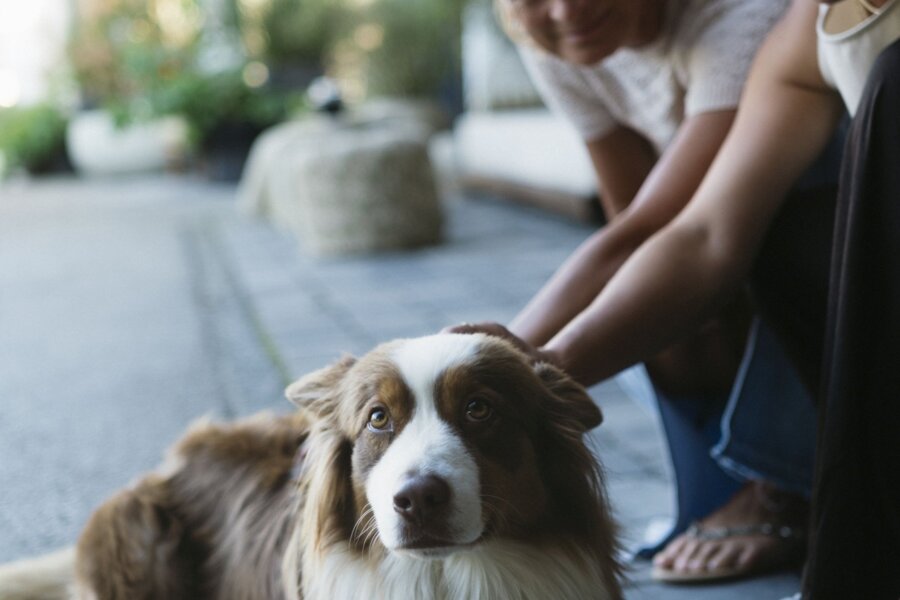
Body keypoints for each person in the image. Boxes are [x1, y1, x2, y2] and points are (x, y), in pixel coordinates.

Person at [455, 0, 900, 596]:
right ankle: (778, 485)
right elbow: (673, 230)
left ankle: (785, 482)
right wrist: (520, 362)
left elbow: (653, 229)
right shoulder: (803, 30)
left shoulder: (746, 23)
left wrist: (518, 363)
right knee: (678, 304)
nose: (563, 9)